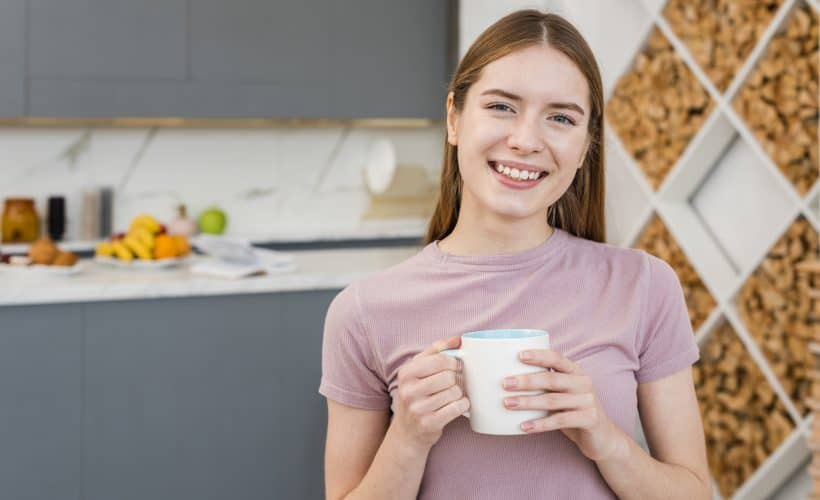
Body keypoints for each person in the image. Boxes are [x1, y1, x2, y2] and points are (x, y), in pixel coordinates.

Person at [319, 9, 710, 500]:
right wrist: (408, 437)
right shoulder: (362, 313)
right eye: (502, 107)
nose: (526, 140)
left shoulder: (644, 285)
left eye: (561, 118)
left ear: (586, 145)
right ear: (454, 118)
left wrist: (605, 439)